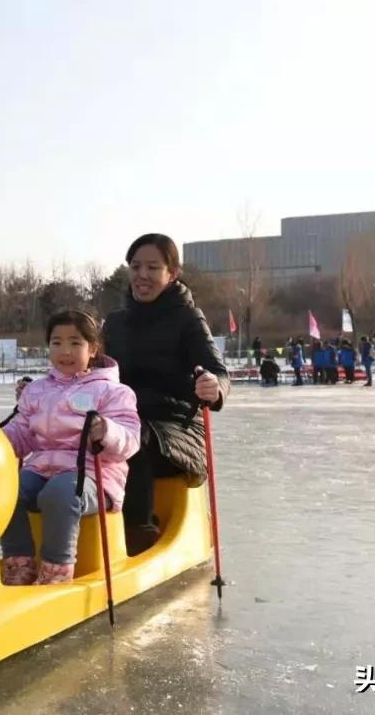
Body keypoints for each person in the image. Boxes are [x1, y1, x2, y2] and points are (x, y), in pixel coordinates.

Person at [102, 234, 230, 554]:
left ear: (171, 273)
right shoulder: (115, 323)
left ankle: (138, 535)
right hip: (125, 418)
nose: (142, 275)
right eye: (135, 266)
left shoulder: (187, 318)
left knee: (134, 437)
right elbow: (92, 371)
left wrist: (213, 387)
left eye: (152, 267)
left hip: (176, 430)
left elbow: (220, 373)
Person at [0, 310, 141, 585]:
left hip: (93, 476)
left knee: (60, 493)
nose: (65, 351)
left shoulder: (113, 392)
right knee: (5, 489)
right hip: (42, 469)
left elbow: (130, 441)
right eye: (57, 342)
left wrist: (107, 431)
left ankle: (56, 570)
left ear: (93, 349)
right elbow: (22, 433)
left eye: (75, 343)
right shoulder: (37, 390)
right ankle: (20, 562)